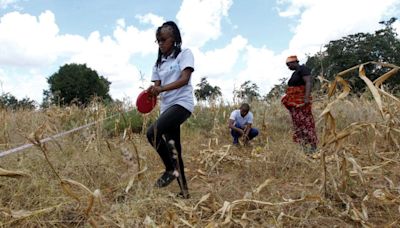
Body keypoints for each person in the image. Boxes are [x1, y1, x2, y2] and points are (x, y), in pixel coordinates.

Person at [146, 21, 194, 197]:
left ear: (174, 39)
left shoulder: (184, 55)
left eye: (163, 40)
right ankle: (184, 192)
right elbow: (156, 88)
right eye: (158, 40)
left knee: (152, 133)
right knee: (175, 151)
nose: (160, 43)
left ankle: (169, 170)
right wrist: (151, 92)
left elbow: (184, 79)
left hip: (182, 104)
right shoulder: (159, 64)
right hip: (167, 108)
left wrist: (161, 89)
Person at [281, 55, 318, 153]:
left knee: (306, 123)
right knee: (298, 124)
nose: (288, 67)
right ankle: (303, 146)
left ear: (294, 62)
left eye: (289, 65)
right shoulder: (295, 73)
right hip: (294, 104)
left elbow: (308, 82)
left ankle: (313, 146)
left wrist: (306, 97)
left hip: (301, 102)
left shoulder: (303, 69)